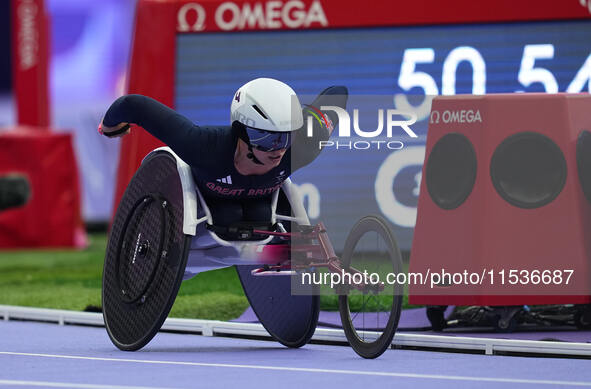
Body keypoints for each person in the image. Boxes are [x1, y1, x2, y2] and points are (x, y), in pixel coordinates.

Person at [99, 78, 347, 229]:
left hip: (262, 210)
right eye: (267, 139)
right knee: (229, 214)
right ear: (241, 133)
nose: (279, 149)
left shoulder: (303, 146)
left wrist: (309, 118)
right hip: (204, 212)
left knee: (258, 215)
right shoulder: (202, 145)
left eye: (286, 136)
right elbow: (132, 105)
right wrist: (109, 127)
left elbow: (338, 93)